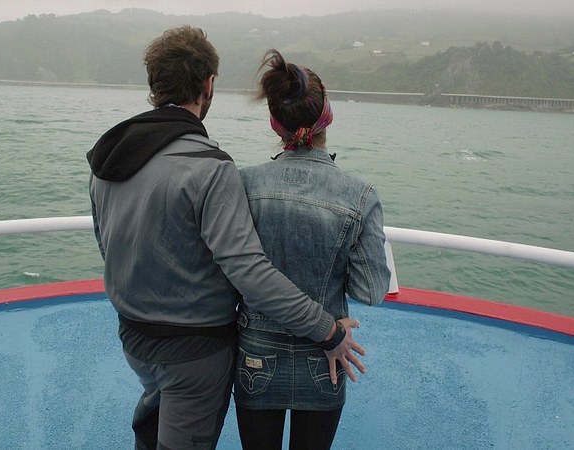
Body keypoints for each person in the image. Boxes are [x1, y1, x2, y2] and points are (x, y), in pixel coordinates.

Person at [86, 27, 367, 450]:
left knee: (152, 425)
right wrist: (328, 331)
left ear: (155, 83)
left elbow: (109, 245)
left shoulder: (108, 158)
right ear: (209, 84)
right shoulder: (209, 168)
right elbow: (249, 272)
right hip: (194, 354)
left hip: (134, 339)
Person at [234, 49, 391, 450]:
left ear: (275, 123)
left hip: (255, 355)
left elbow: (232, 269)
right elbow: (371, 290)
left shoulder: (244, 184)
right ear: (328, 115)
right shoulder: (360, 195)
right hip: (327, 354)